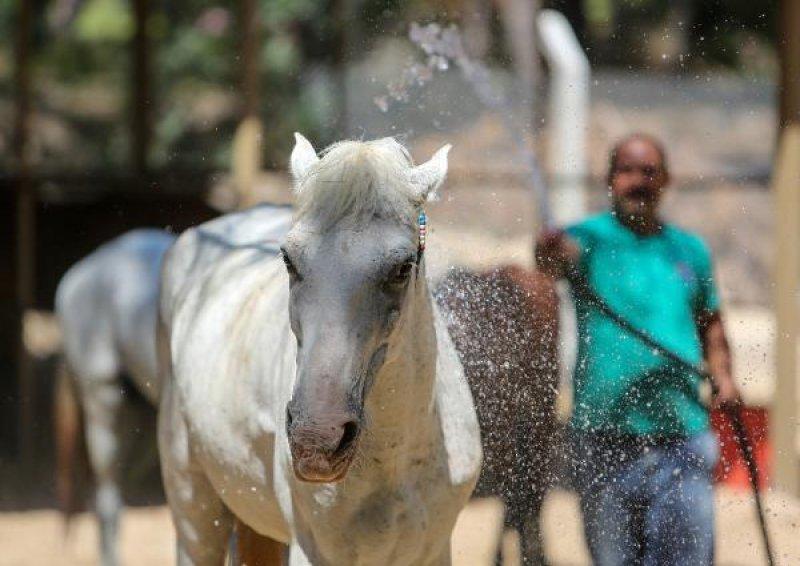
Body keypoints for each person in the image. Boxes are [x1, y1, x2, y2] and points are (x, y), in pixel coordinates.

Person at [535, 133, 741, 565]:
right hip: (603, 440)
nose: (638, 181)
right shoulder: (586, 239)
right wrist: (546, 249)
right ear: (610, 179)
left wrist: (723, 377)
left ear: (666, 179)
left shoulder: (690, 249)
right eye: (627, 170)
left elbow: (712, 325)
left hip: (681, 437)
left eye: (648, 171)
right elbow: (550, 263)